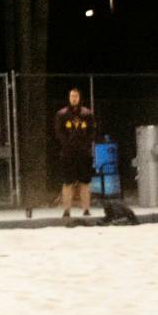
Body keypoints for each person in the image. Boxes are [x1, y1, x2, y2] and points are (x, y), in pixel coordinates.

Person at [53, 87, 97, 219]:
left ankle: (86, 210)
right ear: (69, 97)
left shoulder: (87, 114)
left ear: (79, 98)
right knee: (68, 182)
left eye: (76, 96)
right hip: (68, 153)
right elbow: (58, 132)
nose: (74, 98)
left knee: (85, 182)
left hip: (83, 153)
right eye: (71, 96)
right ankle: (66, 210)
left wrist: (85, 144)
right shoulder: (62, 114)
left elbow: (92, 131)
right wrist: (68, 144)